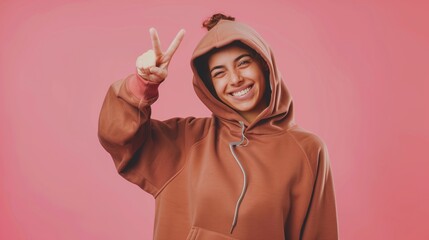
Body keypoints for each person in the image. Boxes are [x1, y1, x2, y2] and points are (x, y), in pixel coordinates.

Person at [98, 13, 338, 240]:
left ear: (265, 66)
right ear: (209, 85)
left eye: (243, 63)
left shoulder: (307, 150)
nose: (235, 79)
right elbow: (117, 137)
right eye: (219, 72)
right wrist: (142, 85)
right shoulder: (187, 140)